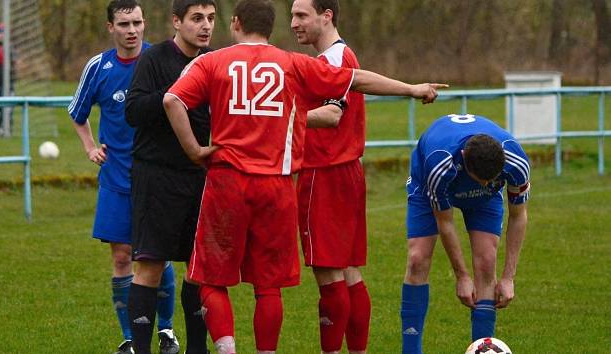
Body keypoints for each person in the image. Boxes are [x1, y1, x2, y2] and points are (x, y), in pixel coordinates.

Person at [163, 1, 446, 353]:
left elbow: (172, 100)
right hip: (277, 186)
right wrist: (411, 88)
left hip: (229, 180)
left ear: (234, 23)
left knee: (209, 277)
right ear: (270, 28)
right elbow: (355, 80)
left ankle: (226, 347)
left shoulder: (212, 61)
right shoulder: (294, 63)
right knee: (270, 286)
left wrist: (194, 151)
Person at [68, 2, 180, 353]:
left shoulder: (160, 62)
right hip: (116, 178)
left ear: (145, 24)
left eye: (137, 23)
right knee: (121, 257)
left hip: (156, 175)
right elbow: (77, 112)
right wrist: (89, 147)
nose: (131, 30)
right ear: (110, 27)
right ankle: (130, 338)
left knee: (155, 255)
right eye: (124, 24)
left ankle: (166, 331)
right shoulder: (98, 67)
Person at [124, 1, 215, 353]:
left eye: (210, 18)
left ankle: (197, 348)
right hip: (156, 176)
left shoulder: (214, 61)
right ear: (176, 22)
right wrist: (177, 92)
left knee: (198, 269)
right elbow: (133, 110)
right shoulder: (155, 59)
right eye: (196, 18)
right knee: (150, 265)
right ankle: (142, 348)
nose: (204, 26)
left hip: (198, 177)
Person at [401, 114, 530, 354]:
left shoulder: (516, 162)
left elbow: (518, 215)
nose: (484, 184)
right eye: (479, 180)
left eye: (489, 180)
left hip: (483, 199)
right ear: (464, 159)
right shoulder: (439, 164)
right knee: (418, 258)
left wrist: (509, 277)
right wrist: (461, 276)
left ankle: (482, 347)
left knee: (486, 261)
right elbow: (445, 221)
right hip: (429, 179)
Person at [290, 1, 370, 353]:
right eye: (293, 15)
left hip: (324, 173)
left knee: (329, 274)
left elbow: (332, 115)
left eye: (301, 15)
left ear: (327, 16)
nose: (294, 23)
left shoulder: (331, 62)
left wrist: (283, 114)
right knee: (349, 272)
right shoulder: (344, 55)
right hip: (348, 171)